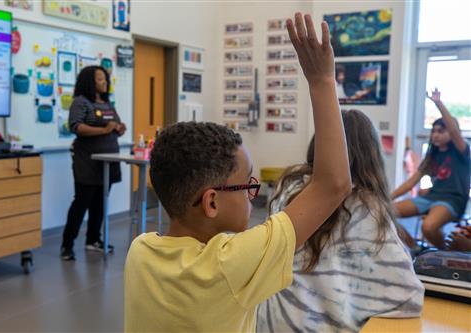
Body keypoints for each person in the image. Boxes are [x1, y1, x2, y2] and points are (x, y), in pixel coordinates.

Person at [124, 13, 352, 332]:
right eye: (247, 186)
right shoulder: (229, 264)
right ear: (211, 202)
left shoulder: (140, 250)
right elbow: (334, 184)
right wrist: (322, 81)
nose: (251, 196)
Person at [257, 109, 424, 333]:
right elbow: (407, 296)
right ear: (370, 155)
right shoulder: (366, 206)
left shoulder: (288, 185)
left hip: (270, 320)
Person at [60, 66, 127, 261]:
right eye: (100, 79)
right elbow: (76, 126)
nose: (104, 82)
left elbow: (114, 125)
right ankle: (67, 245)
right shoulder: (80, 102)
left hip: (109, 160)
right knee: (81, 202)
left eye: (105, 78)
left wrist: (119, 128)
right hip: (87, 161)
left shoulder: (107, 103)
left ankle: (93, 240)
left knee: (100, 201)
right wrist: (105, 130)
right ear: (90, 81)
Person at [392, 89, 470, 249]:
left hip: (453, 201)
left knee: (427, 227)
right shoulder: (431, 156)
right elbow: (410, 183)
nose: (435, 135)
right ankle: (416, 249)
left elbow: (454, 130)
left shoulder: (461, 151)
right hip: (431, 197)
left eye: (441, 131)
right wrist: (385, 198)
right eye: (433, 131)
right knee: (385, 212)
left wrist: (437, 102)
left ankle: (444, 253)